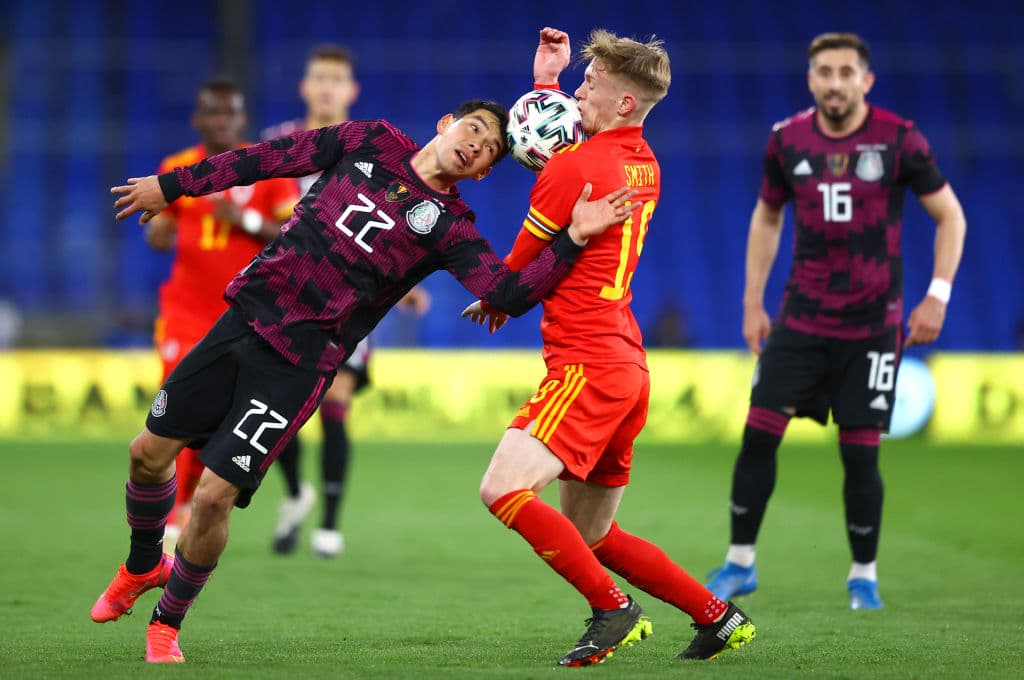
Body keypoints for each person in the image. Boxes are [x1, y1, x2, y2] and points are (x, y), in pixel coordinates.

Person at [92, 97, 639, 663]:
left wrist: (572, 239)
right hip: (240, 324)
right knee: (147, 454)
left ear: (481, 172)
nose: (477, 144)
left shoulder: (451, 229)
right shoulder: (369, 140)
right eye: (473, 129)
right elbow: (268, 158)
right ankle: (140, 565)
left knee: (212, 497)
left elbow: (505, 294)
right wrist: (173, 185)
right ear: (445, 123)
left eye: (490, 150)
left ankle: (167, 626)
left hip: (299, 367)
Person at [463, 28, 755, 667]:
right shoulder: (643, 160)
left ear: (624, 102)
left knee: (503, 489)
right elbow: (566, 139)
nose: (577, 90)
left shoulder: (575, 167)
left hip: (586, 363)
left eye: (589, 83)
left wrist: (493, 294)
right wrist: (544, 82)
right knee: (593, 531)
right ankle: (719, 616)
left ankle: (611, 608)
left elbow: (515, 278)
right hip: (627, 363)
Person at [704, 32, 967, 610]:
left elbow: (950, 216)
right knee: (758, 435)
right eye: (824, 71)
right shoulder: (787, 140)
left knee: (860, 453)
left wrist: (938, 295)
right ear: (811, 79)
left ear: (865, 80)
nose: (835, 82)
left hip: (873, 324)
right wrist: (753, 301)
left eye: (847, 72)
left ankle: (863, 576)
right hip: (801, 319)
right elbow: (767, 217)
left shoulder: (899, 140)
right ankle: (740, 563)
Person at [261, 44, 433, 558]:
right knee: (278, 409)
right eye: (320, 77)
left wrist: (406, 284)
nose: (328, 86)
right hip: (282, 293)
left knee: (335, 402)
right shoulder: (277, 144)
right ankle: (295, 494)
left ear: (352, 90)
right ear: (305, 86)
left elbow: (394, 223)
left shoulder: (373, 150)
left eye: (337, 78)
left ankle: (329, 526)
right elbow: (259, 213)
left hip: (348, 298)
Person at [146, 77, 299, 542]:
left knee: (218, 415)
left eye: (228, 112)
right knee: (175, 406)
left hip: (243, 316)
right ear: (198, 119)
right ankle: (174, 509)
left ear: (241, 118)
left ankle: (192, 499)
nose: (220, 120)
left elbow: (292, 234)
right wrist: (156, 226)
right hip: (185, 311)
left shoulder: (265, 169)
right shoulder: (177, 167)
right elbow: (160, 230)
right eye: (212, 112)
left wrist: (244, 219)